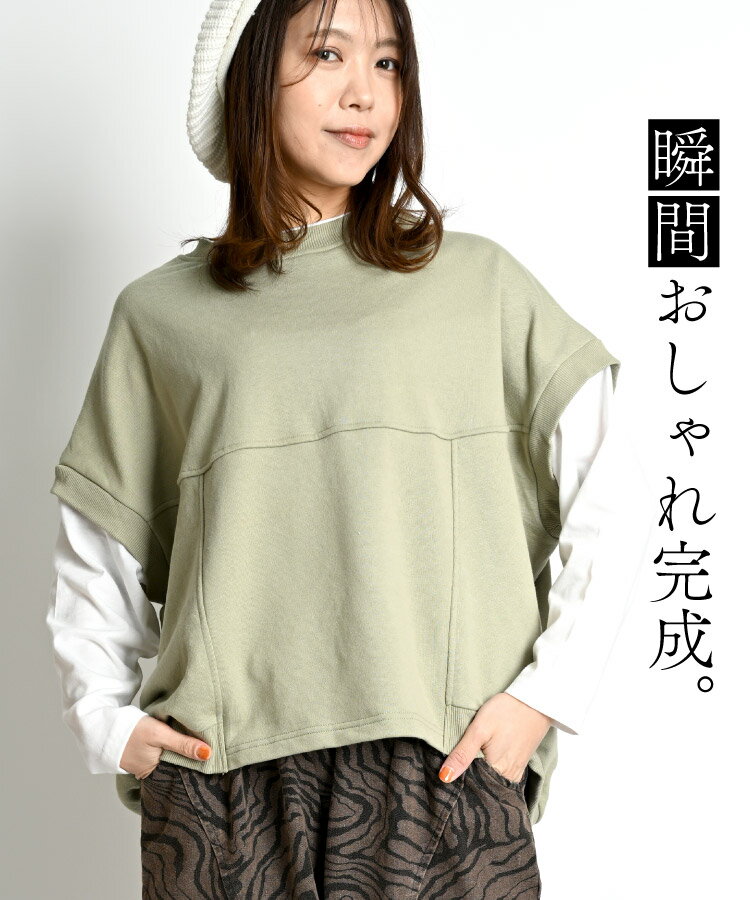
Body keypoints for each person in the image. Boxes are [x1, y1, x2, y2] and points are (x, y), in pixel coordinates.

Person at [46, 0, 647, 896]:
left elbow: (611, 489)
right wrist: (105, 723)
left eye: (388, 63)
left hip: (441, 771)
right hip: (223, 786)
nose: (365, 92)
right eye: (328, 54)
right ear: (250, 76)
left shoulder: (476, 286)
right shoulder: (160, 317)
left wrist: (541, 699)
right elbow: (98, 544)